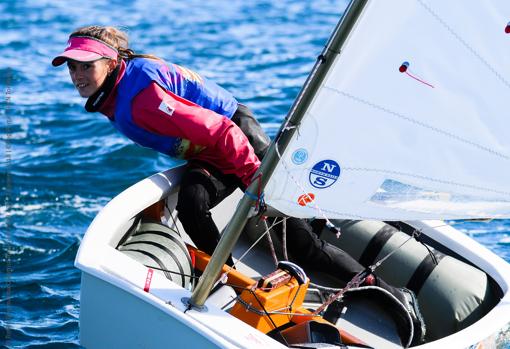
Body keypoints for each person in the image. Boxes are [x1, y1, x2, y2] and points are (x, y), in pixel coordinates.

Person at [52, 25, 425, 344]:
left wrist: (254, 183)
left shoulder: (141, 96)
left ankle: (394, 295)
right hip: (212, 152)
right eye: (71, 66)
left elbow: (222, 130)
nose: (77, 74)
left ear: (112, 62)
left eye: (86, 65)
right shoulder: (117, 92)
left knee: (301, 247)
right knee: (192, 204)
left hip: (237, 140)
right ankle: (232, 284)